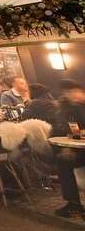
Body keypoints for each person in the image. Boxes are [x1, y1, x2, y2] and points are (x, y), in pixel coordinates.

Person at [53, 80, 85, 218]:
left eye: (73, 91)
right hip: (80, 149)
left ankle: (74, 205)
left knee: (64, 162)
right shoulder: (71, 108)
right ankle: (74, 204)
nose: (71, 95)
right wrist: (68, 146)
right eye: (68, 93)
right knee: (63, 161)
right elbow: (74, 131)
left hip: (79, 150)